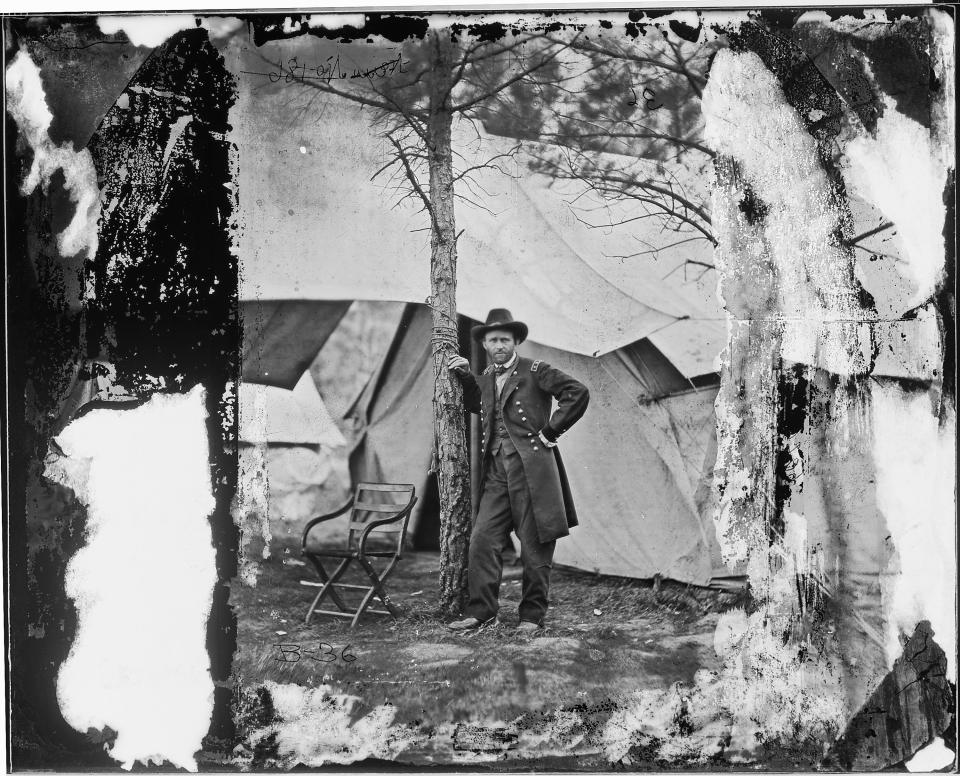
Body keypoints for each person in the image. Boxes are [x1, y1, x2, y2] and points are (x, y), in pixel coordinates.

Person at [446, 308, 589, 632]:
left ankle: (531, 617)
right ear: (485, 344)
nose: (499, 345)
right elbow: (475, 404)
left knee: (535, 547)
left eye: (504, 339)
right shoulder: (485, 377)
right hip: (496, 474)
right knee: (482, 540)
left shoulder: (535, 370)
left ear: (516, 341)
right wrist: (468, 376)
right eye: (493, 340)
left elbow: (577, 392)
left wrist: (550, 432)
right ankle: (481, 611)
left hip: (532, 473)